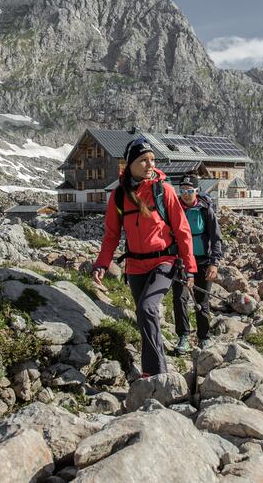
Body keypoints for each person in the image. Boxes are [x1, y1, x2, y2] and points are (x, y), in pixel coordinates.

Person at [90, 136, 196, 377]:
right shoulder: (118, 196)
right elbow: (111, 235)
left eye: (152, 159)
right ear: (130, 164)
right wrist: (102, 264)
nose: (150, 164)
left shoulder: (164, 190)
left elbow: (182, 230)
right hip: (135, 266)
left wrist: (190, 267)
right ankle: (158, 368)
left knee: (147, 308)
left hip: (164, 262)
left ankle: (155, 373)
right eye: (144, 160)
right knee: (144, 315)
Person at [170, 174, 223, 353]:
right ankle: (183, 336)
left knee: (203, 300)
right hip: (181, 262)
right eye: (182, 190)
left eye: (190, 190)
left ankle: (204, 337)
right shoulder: (174, 209)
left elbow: (216, 238)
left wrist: (214, 263)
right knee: (180, 298)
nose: (186, 194)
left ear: (197, 191)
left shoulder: (205, 209)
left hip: (203, 261)